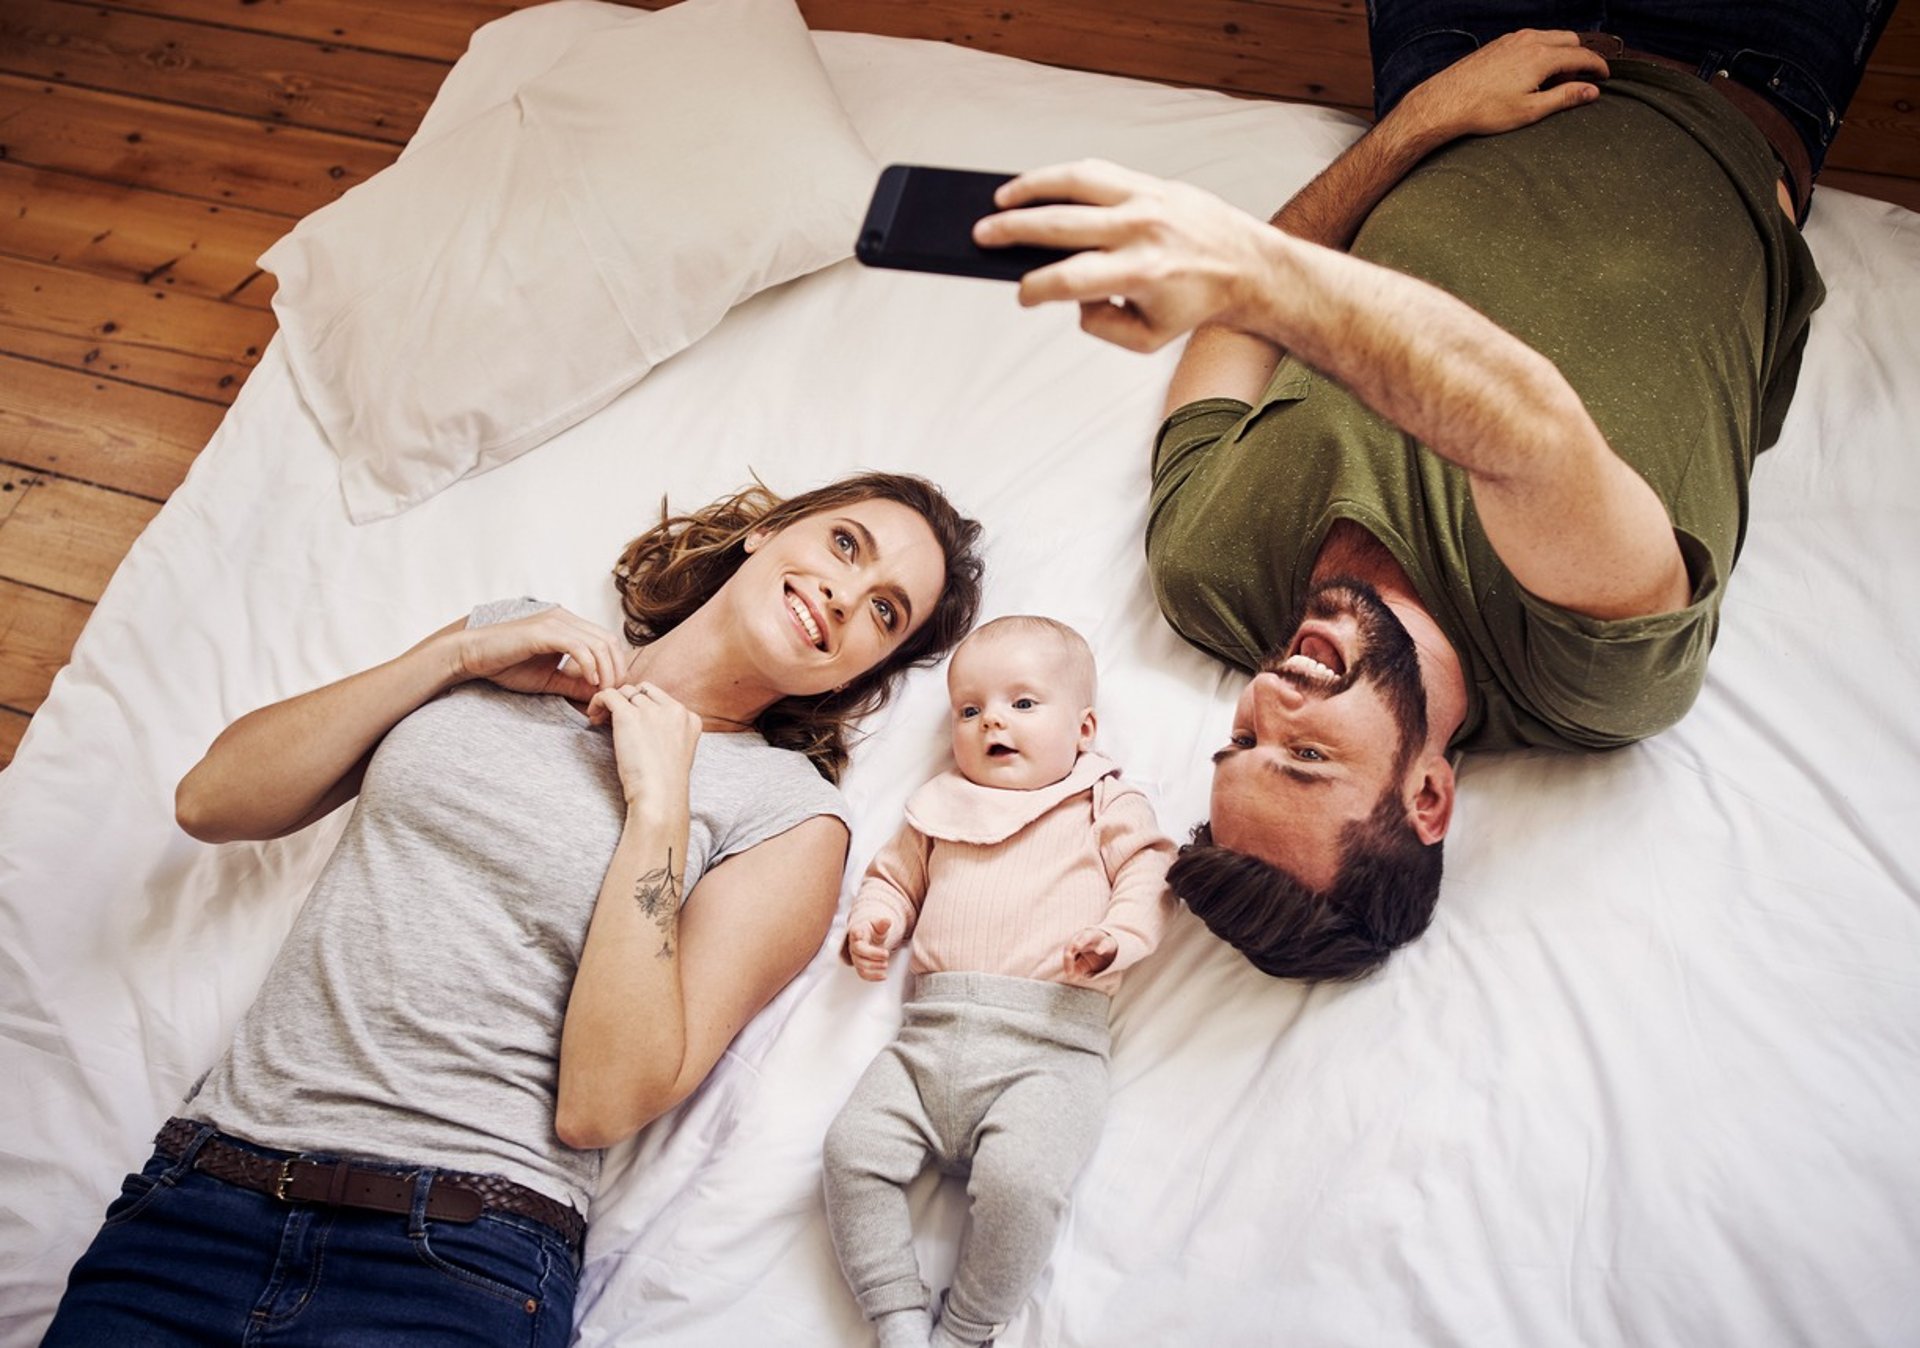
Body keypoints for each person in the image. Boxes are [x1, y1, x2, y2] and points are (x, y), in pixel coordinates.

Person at [972, 4, 1893, 981]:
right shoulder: (1587, 675)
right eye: (1310, 756)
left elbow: (1230, 334)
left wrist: (1418, 121)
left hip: (1458, 44)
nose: (1274, 698)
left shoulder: (1206, 571)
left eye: (1240, 738)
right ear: (1428, 797)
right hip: (1731, 73)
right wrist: (1252, 270)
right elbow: (1521, 427)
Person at [42, 472, 984, 1347]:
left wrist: (659, 807)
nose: (843, 597)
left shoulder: (793, 819)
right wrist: (454, 655)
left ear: (863, 672)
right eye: (846, 547)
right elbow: (214, 801)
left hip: (455, 1256)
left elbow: (603, 1103)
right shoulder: (507, 640)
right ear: (765, 534)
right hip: (200, 1197)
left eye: (884, 614)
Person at [820, 615, 1176, 1348]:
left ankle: (967, 1328)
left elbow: (1150, 872)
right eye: (970, 709)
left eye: (1023, 704)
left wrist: (1117, 937)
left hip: (1048, 1052)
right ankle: (893, 1312)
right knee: (848, 1156)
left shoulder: (1102, 798)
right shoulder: (937, 809)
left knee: (1022, 1185)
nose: (992, 724)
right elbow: (893, 878)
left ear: (1083, 729)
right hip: (925, 1046)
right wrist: (875, 922)